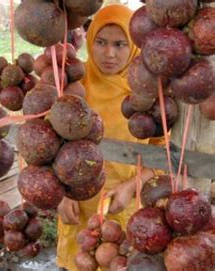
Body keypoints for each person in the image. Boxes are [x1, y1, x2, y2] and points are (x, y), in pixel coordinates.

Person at [56, 5, 160, 270]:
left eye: (120, 44)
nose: (109, 54)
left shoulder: (148, 94)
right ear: (89, 40)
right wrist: (60, 194)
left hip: (126, 207)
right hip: (77, 208)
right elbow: (46, 148)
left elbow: (165, 158)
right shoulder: (72, 87)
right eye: (101, 42)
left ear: (135, 46)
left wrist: (131, 186)